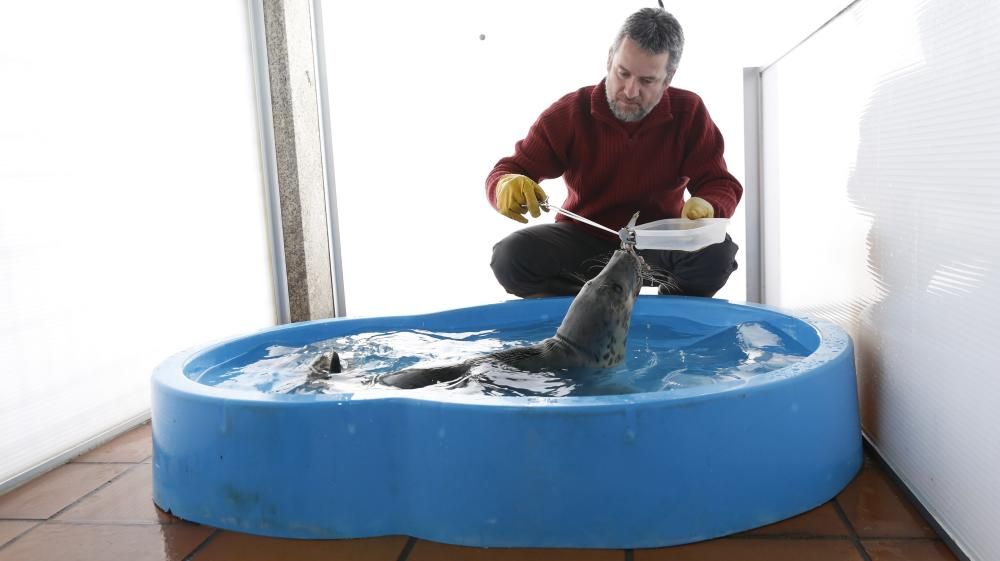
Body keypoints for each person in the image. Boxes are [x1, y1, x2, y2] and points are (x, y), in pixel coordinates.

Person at [486, 7, 742, 298]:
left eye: (647, 81)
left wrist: (707, 204)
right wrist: (505, 185)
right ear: (609, 59)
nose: (630, 91)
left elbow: (721, 183)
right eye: (623, 73)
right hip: (584, 242)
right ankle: (583, 311)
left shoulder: (689, 111)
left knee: (717, 255)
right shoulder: (569, 113)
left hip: (657, 245)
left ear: (668, 78)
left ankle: (668, 316)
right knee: (511, 258)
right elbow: (508, 170)